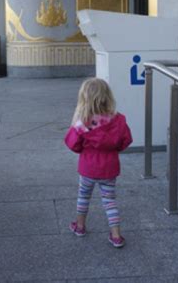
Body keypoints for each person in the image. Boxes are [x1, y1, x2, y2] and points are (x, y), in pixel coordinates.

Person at [64, 78, 132, 248]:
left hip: (87, 168)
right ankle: (116, 235)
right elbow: (126, 140)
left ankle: (80, 227)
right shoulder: (118, 120)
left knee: (83, 197)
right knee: (110, 201)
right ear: (107, 96)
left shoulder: (82, 123)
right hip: (109, 168)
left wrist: (84, 149)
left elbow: (72, 144)